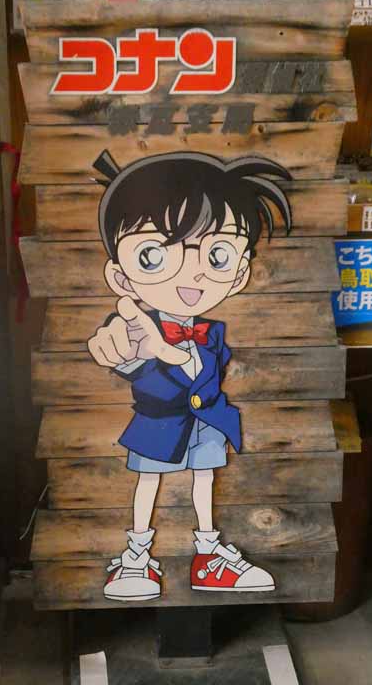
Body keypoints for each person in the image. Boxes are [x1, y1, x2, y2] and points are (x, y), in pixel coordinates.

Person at [88, 150, 293, 602]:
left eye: (217, 254)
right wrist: (123, 351)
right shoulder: (137, 329)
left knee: (206, 481)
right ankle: (137, 556)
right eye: (154, 255)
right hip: (158, 424)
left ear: (239, 272)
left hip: (208, 422)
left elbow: (205, 373)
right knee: (149, 483)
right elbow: (125, 353)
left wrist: (169, 352)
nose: (192, 272)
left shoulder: (211, 332)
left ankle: (209, 556)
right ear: (120, 277)